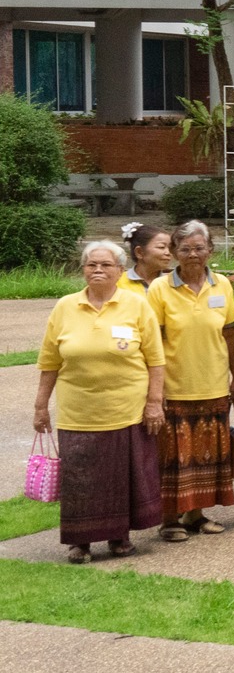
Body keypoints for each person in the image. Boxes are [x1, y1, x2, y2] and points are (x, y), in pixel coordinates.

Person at [33, 239, 165, 562]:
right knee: (80, 480)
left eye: (106, 265)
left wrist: (154, 402)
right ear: (83, 270)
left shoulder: (136, 305)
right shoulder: (65, 306)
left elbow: (156, 359)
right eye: (91, 264)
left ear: (120, 271)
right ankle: (81, 542)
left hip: (126, 410)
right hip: (79, 412)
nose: (98, 270)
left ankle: (120, 538)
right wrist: (40, 406)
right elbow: (50, 360)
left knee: (122, 479)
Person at [146, 220, 234, 541]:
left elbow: (230, 335)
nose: (193, 254)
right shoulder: (159, 289)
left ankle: (196, 515)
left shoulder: (223, 285)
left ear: (211, 251)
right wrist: (155, 393)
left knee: (206, 455)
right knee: (174, 458)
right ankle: (169, 519)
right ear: (173, 252)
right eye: (185, 249)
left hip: (213, 384)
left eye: (200, 248)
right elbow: (152, 341)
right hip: (175, 386)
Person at [121, 223, 172, 293]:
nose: (168, 253)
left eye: (170, 248)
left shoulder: (174, 283)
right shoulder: (117, 282)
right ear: (139, 252)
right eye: (161, 247)